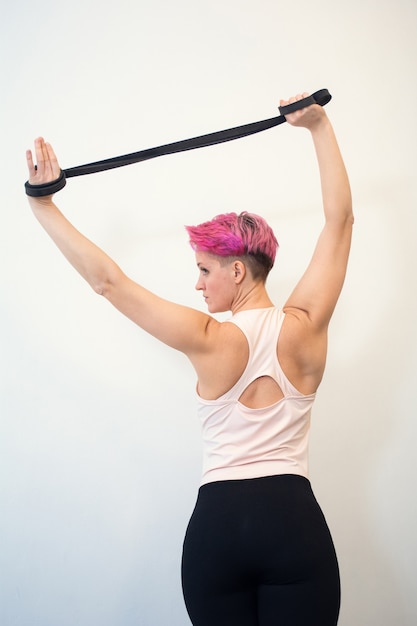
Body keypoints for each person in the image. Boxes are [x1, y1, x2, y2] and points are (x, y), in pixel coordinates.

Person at [26, 92, 353, 626]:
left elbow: (107, 282)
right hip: (293, 525)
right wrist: (318, 127)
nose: (197, 283)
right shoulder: (305, 326)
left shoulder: (206, 337)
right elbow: (340, 223)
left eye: (205, 270)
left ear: (238, 272)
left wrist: (43, 205)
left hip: (217, 532)